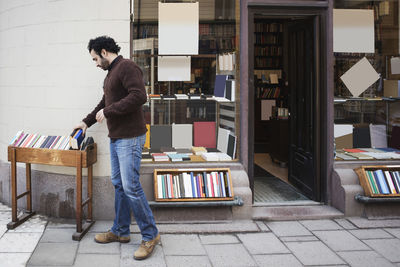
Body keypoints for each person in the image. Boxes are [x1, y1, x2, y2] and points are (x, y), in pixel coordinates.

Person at [74, 36, 160, 260]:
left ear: (104, 52)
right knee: (119, 185)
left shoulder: (127, 67)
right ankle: (121, 231)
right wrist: (85, 122)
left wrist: (110, 112)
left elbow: (139, 96)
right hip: (117, 137)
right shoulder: (111, 73)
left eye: (95, 59)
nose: (95, 64)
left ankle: (150, 235)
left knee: (131, 186)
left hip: (130, 137)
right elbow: (104, 103)